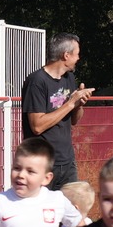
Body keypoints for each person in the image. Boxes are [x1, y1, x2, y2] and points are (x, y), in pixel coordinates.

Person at [21, 32, 92, 189]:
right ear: (66, 55)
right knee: (41, 212)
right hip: (42, 163)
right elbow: (37, 126)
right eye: (77, 54)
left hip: (67, 161)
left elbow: (74, 120)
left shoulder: (69, 78)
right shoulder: (37, 82)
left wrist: (79, 104)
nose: (78, 58)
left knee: (72, 209)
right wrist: (70, 103)